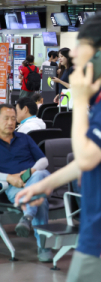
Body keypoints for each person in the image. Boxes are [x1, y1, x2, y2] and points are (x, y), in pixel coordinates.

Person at [15, 15, 101, 282]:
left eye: (80, 45)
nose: (72, 53)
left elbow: (86, 157)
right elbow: (93, 156)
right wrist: (45, 183)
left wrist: (79, 99)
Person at [0, 104, 52, 261]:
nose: (10, 122)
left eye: (13, 119)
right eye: (6, 118)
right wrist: (9, 178)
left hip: (32, 178)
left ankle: (28, 215)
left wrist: (32, 172)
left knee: (41, 173)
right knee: (39, 199)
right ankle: (43, 247)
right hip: (12, 186)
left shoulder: (24, 138)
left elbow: (43, 160)